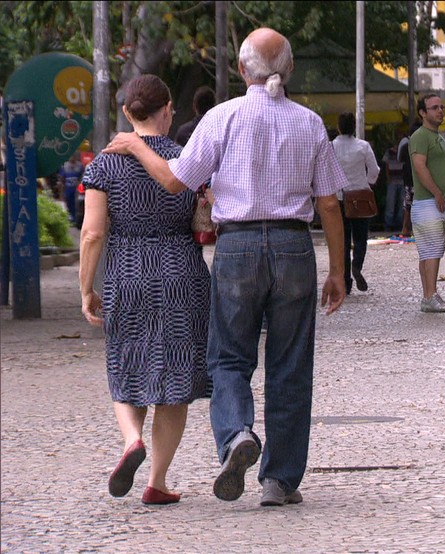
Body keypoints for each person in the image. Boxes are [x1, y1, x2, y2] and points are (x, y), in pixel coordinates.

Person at [103, 27, 348, 507]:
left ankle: (237, 435)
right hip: (294, 245)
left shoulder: (221, 117)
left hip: (236, 247)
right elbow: (331, 205)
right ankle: (279, 481)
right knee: (290, 364)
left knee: (228, 357)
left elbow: (175, 182)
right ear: (290, 69)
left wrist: (135, 146)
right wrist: (338, 270)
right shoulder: (309, 123)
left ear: (241, 70)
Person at [79, 74, 210, 506]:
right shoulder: (186, 159)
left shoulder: (104, 164)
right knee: (175, 376)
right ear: (168, 108)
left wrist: (86, 288)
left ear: (126, 113)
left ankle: (131, 440)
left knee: (126, 361)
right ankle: (157, 480)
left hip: (128, 270)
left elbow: (93, 234)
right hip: (179, 270)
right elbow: (203, 221)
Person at [409, 94, 445, 312]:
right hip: (428, 202)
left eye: (441, 107)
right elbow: (420, 167)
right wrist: (437, 193)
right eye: (434, 107)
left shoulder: (438, 137)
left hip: (439, 201)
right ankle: (430, 295)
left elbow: (444, 169)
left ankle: (429, 294)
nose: (440, 111)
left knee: (431, 251)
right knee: (432, 251)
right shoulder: (420, 137)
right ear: (423, 112)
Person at [333, 111, 380, 294]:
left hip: (340, 198)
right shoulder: (363, 146)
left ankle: (345, 281)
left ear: (338, 127)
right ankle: (357, 265)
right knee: (361, 239)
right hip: (360, 196)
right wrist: (366, 183)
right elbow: (374, 169)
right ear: (354, 127)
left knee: (342, 241)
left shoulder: (331, 147)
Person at [382, 138, 406, 233]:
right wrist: (388, 178)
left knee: (401, 203)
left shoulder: (404, 151)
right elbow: (386, 165)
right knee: (390, 203)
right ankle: (389, 223)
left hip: (401, 180)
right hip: (392, 180)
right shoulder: (389, 152)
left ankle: (399, 223)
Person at [58, 152, 83, 224]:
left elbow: (82, 178)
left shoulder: (80, 166)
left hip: (77, 189)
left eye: (73, 156)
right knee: (68, 202)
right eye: (70, 156)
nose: (72, 158)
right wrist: (61, 193)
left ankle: (75, 220)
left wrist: (81, 190)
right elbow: (61, 180)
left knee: (76, 204)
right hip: (68, 189)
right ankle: (69, 219)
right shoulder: (65, 166)